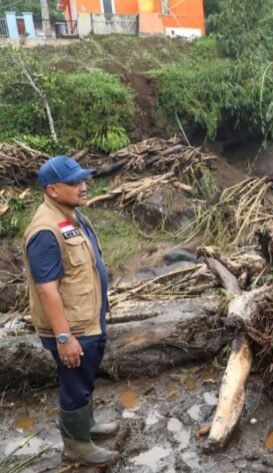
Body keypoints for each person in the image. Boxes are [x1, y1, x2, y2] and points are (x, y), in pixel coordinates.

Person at [22, 156, 119, 466]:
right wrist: (64, 337)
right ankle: (76, 446)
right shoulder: (45, 231)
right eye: (75, 183)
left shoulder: (70, 215)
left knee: (85, 376)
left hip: (87, 319)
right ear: (52, 190)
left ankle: (86, 426)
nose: (83, 186)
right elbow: (47, 289)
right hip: (71, 328)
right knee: (75, 383)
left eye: (83, 180)